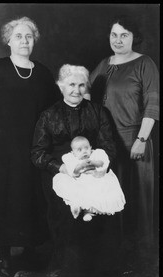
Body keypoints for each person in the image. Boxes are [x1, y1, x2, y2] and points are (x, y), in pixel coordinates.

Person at [0, 16, 60, 277]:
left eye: (29, 36)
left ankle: (30, 251)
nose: (24, 41)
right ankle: (4, 254)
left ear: (34, 42)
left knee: (31, 198)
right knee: (5, 199)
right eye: (18, 36)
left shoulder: (42, 73)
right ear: (8, 40)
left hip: (34, 149)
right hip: (1, 150)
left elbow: (55, 112)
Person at [31, 64, 122, 277]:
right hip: (62, 171)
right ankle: (70, 268)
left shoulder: (98, 112)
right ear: (61, 86)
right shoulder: (48, 115)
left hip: (94, 167)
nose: (76, 90)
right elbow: (38, 153)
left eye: (82, 85)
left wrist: (98, 164)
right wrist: (62, 168)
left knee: (105, 202)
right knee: (68, 210)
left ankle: (102, 269)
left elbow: (109, 145)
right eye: (71, 84)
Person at [90, 15, 159, 256]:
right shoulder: (104, 64)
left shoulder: (145, 63)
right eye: (114, 35)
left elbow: (153, 103)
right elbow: (88, 99)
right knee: (108, 201)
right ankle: (114, 258)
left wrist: (141, 140)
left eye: (124, 35)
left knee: (135, 201)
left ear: (134, 38)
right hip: (106, 145)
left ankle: (139, 261)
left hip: (134, 141)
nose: (118, 40)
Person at [53, 136, 125, 221]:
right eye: (79, 150)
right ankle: (75, 205)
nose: (84, 152)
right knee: (74, 190)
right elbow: (73, 171)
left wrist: (94, 162)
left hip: (94, 178)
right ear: (73, 152)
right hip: (79, 179)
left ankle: (87, 212)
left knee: (95, 194)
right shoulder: (71, 158)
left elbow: (103, 163)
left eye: (86, 148)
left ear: (91, 147)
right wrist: (81, 166)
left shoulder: (97, 154)